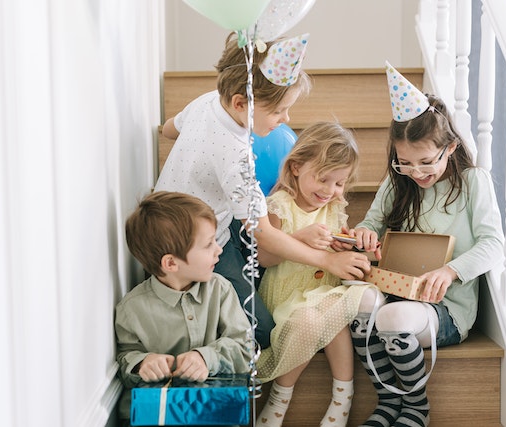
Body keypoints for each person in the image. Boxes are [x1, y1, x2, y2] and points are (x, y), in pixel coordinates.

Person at [156, 32, 371, 350]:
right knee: (264, 332)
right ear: (240, 103)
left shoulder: (206, 101)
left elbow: (169, 128)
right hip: (198, 240)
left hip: (164, 216)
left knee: (253, 225)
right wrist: (326, 261)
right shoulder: (237, 157)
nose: (287, 120)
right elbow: (264, 236)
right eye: (279, 111)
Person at [345, 62, 504, 427]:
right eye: (405, 163)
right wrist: (365, 233)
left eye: (426, 162)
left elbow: (494, 243)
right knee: (357, 301)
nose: (417, 172)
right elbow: (371, 222)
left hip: (446, 308)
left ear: (449, 148)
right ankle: (388, 401)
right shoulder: (399, 182)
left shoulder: (472, 182)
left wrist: (451, 271)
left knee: (392, 317)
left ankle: (416, 407)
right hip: (397, 288)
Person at [254, 122, 381, 427]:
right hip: (286, 298)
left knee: (335, 311)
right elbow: (265, 257)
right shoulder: (278, 205)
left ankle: (343, 398)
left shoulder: (335, 204)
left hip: (323, 291)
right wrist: (300, 236)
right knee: (311, 320)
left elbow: (334, 252)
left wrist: (343, 245)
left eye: (339, 183)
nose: (330, 191)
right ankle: (278, 399)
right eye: (323, 179)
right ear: (296, 167)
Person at [114, 191, 252, 423]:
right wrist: (142, 364)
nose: (218, 250)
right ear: (170, 263)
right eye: (208, 244)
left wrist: (206, 358)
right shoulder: (132, 309)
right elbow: (125, 357)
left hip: (216, 411)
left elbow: (245, 348)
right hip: (161, 415)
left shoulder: (221, 290)